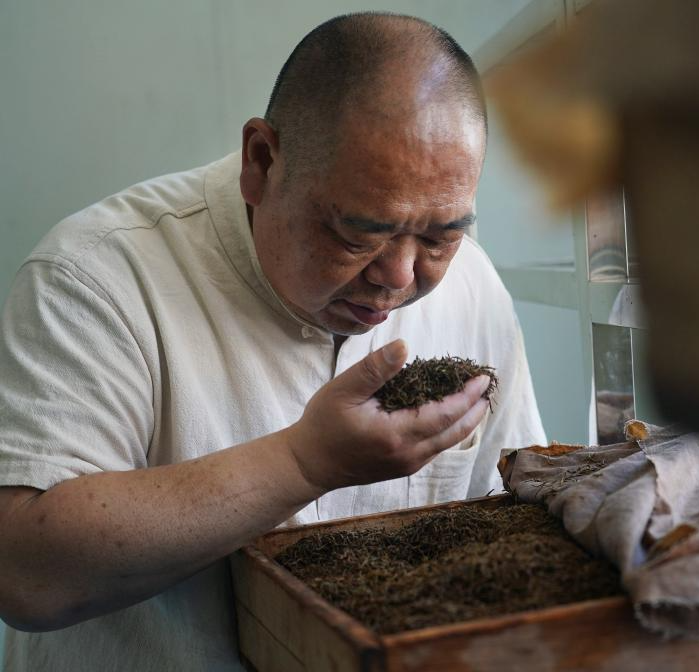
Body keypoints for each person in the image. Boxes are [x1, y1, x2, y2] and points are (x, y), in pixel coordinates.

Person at [0, 13, 545, 671]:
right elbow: (23, 574)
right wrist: (305, 463)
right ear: (261, 162)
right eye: (358, 235)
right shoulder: (97, 275)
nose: (399, 277)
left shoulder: (473, 286)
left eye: (440, 237)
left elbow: (517, 513)